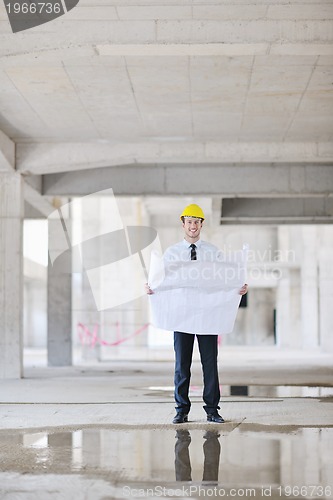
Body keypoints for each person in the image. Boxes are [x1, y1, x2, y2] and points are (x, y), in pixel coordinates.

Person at [145, 204, 248, 424]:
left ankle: (212, 410)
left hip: (207, 316)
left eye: (197, 222)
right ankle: (181, 410)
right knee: (182, 365)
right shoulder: (172, 253)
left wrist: (237, 288)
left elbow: (224, 279)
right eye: (189, 222)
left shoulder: (212, 252)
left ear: (202, 224)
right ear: (183, 224)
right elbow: (162, 281)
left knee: (210, 364)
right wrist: (152, 287)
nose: (193, 226)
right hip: (182, 316)